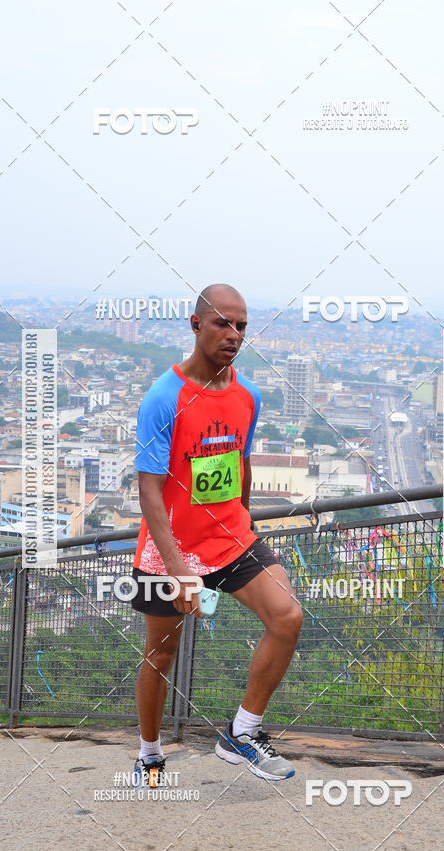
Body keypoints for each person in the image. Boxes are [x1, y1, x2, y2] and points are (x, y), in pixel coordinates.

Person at [130, 284, 303, 784]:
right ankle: (149, 753)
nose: (233, 334)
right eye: (223, 323)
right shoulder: (164, 398)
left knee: (287, 617)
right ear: (196, 324)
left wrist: (245, 523)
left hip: (230, 537)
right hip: (171, 549)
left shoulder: (248, 395)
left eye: (241, 326)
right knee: (162, 653)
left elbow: (240, 464)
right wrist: (178, 569)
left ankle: (241, 733)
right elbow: (149, 489)